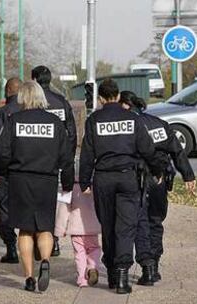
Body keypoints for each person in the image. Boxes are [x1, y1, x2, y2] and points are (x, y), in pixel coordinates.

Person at [79, 79, 167, 294]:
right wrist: (157, 171)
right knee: (126, 227)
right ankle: (121, 276)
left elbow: (87, 153)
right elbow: (147, 149)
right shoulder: (132, 119)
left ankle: (111, 273)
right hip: (128, 178)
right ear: (117, 96)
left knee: (108, 226)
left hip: (103, 179)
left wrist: (84, 181)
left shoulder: (94, 120)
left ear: (100, 98)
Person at [0, 81, 74, 292]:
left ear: (22, 97)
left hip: (20, 180)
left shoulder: (14, 121)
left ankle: (29, 277)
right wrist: (67, 184)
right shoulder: (55, 122)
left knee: (26, 229)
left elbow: (1, 153)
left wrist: (1, 172)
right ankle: (45, 261)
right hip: (46, 181)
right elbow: (66, 157)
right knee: (45, 227)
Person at [119, 91, 196, 285]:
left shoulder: (129, 126)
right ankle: (155, 265)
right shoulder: (159, 123)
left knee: (141, 222)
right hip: (160, 180)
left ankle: (149, 267)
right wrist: (188, 175)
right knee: (155, 221)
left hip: (138, 178)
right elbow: (177, 151)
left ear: (126, 106)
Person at [32, 65, 77, 257]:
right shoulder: (62, 102)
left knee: (36, 201)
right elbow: (72, 132)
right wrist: (68, 156)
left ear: (34, 80)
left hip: (37, 160)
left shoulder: (33, 102)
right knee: (55, 202)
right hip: (59, 158)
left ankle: (38, 239)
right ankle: (54, 240)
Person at [54, 158, 102, 288]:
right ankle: (93, 267)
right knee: (95, 249)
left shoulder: (70, 188)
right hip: (92, 227)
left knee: (79, 253)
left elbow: (64, 211)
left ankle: (82, 279)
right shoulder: (93, 188)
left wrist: (60, 230)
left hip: (75, 229)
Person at [0, 77, 22, 264]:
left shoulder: (1, 114)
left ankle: (11, 247)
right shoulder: (30, 112)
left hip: (5, 172)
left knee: (5, 211)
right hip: (27, 171)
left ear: (7, 92)